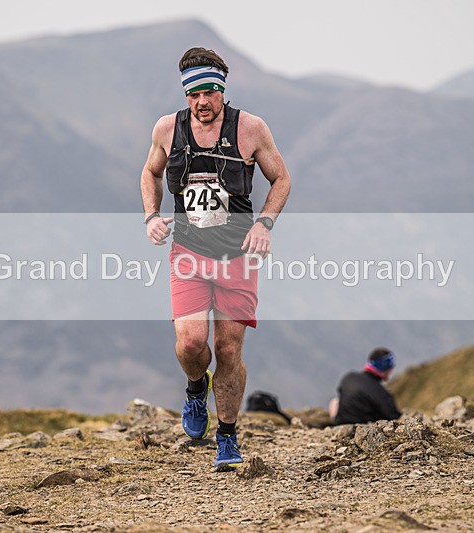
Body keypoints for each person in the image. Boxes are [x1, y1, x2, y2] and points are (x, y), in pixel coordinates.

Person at [140, 47, 291, 470]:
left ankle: (226, 437)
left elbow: (281, 178)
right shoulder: (168, 129)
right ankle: (194, 389)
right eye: (193, 95)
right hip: (187, 253)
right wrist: (151, 215)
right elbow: (150, 172)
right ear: (185, 95)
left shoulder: (250, 128)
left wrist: (264, 224)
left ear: (221, 89)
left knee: (227, 348)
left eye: (209, 92)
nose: (202, 102)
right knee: (191, 343)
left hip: (238, 255)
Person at [328, 347, 401, 425]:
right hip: (362, 428)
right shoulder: (380, 392)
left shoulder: (349, 377)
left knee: (335, 401)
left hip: (339, 424)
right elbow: (393, 416)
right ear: (385, 367)